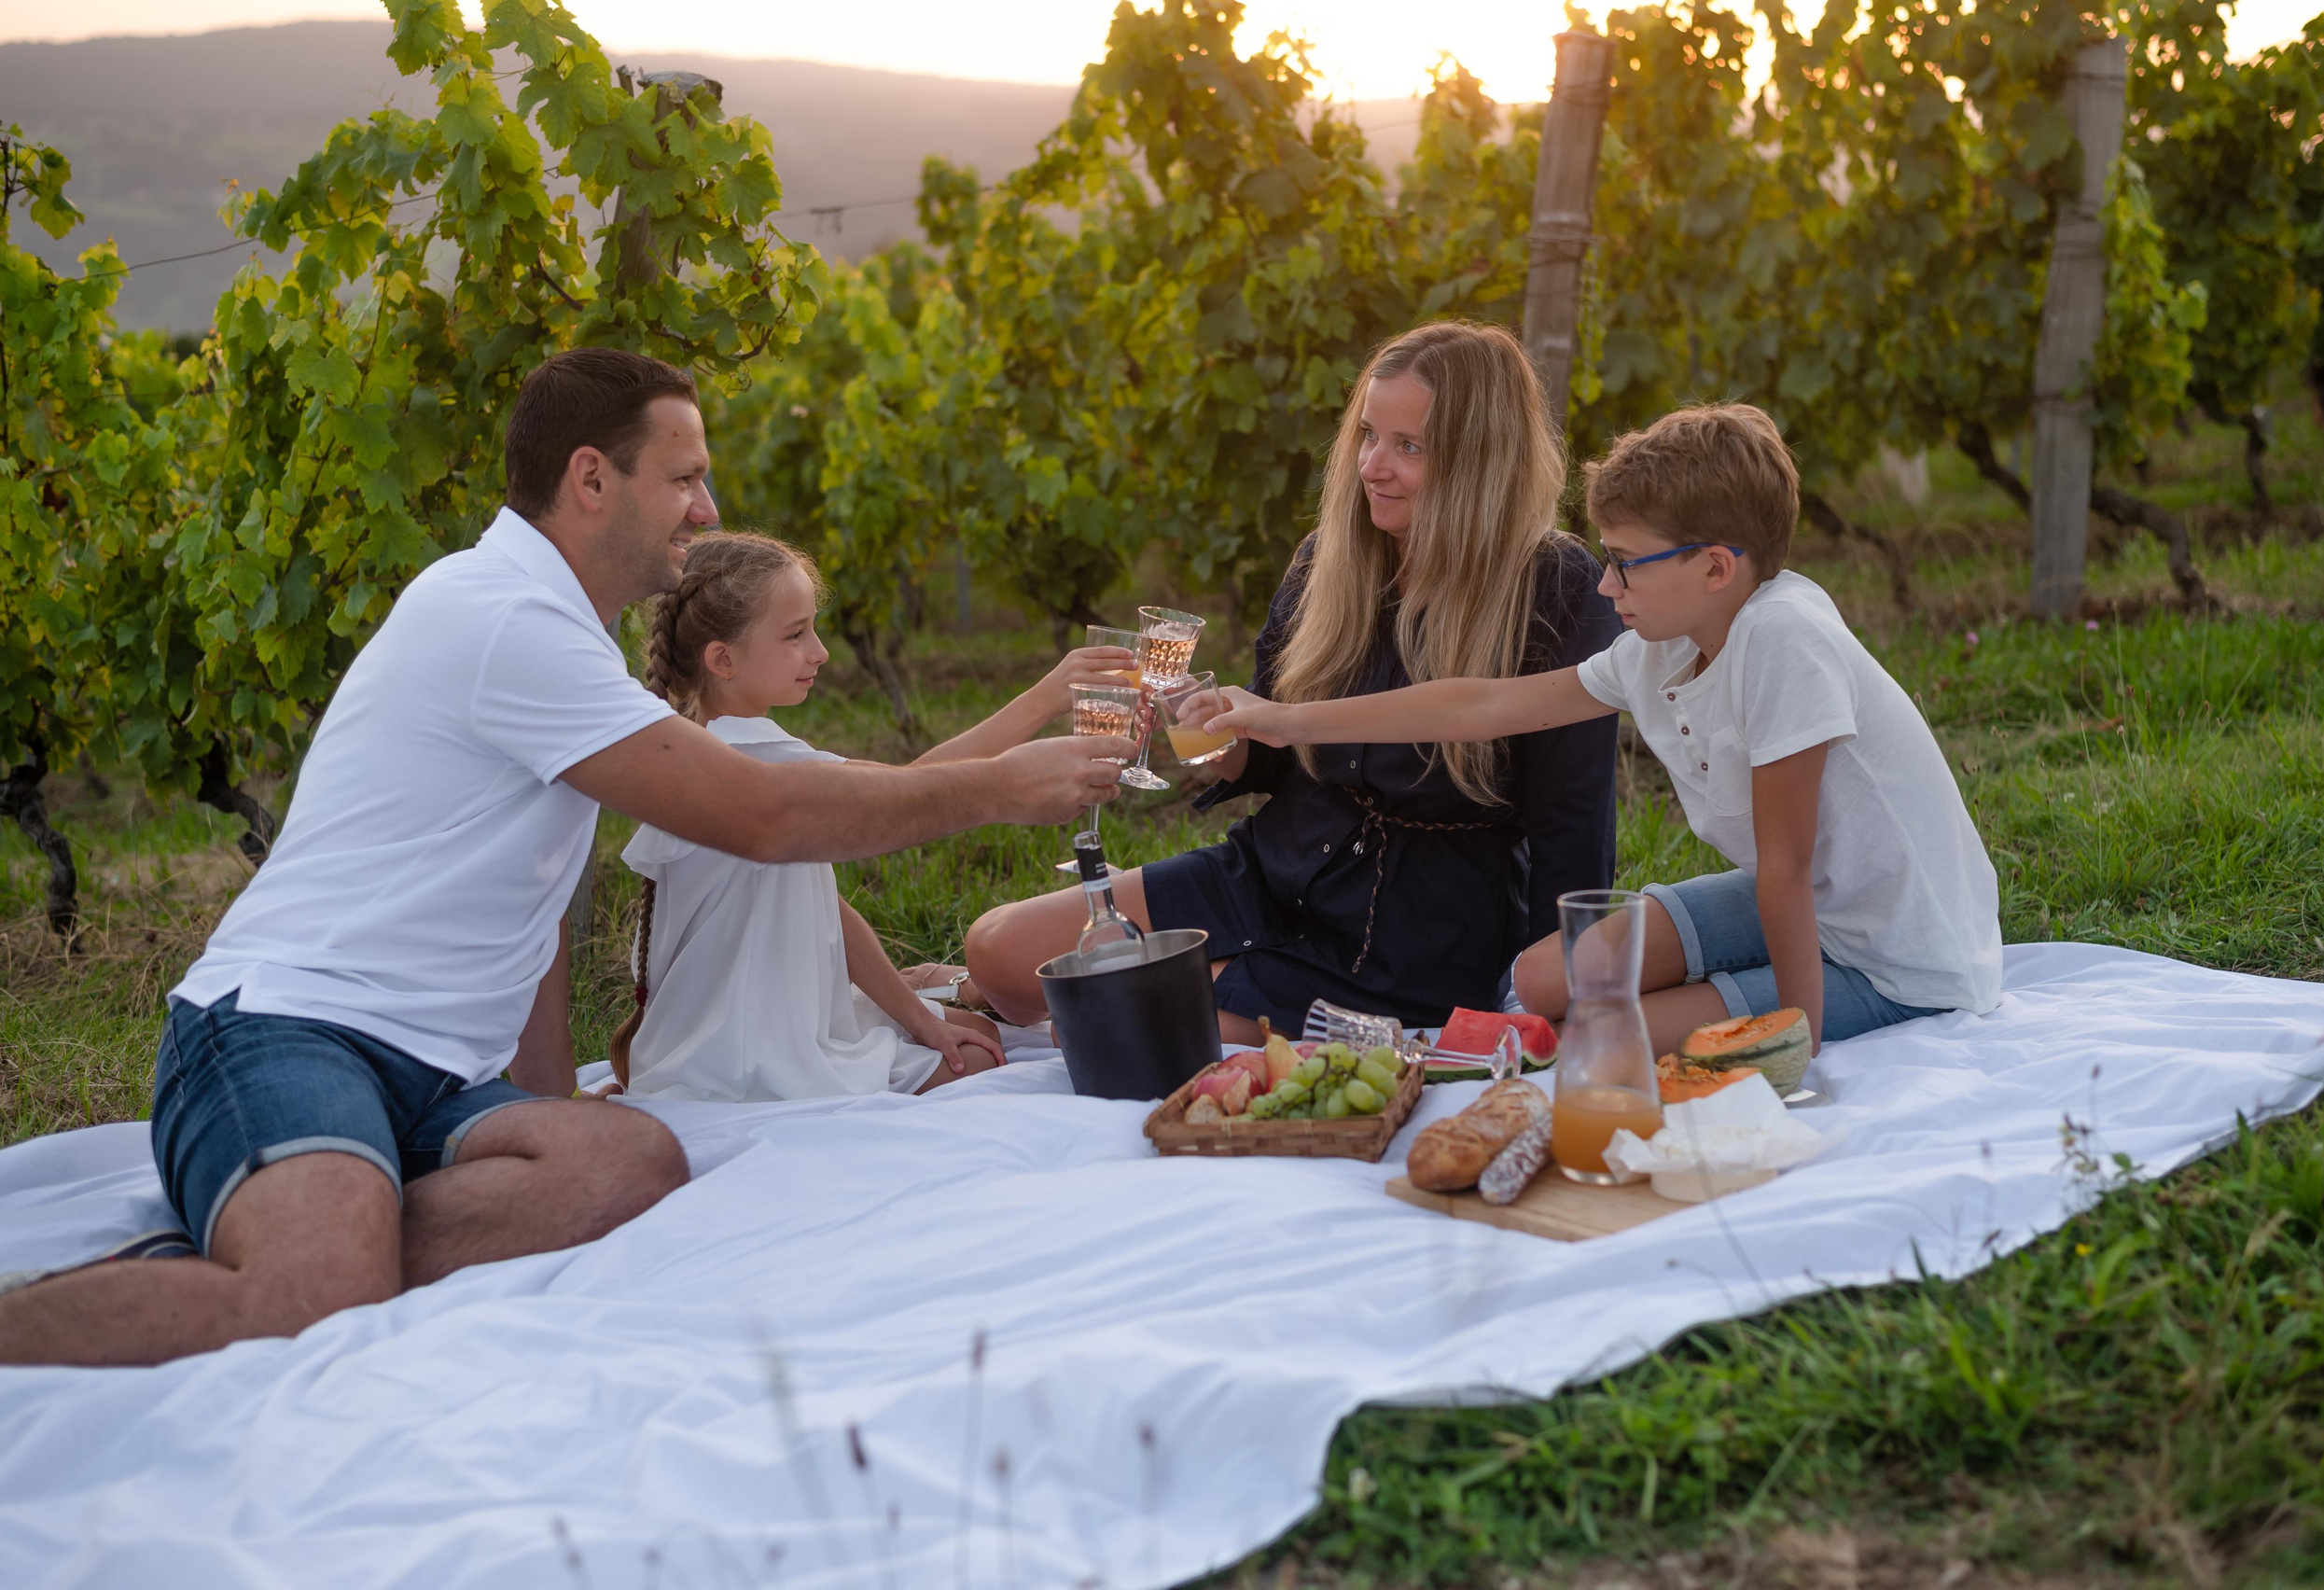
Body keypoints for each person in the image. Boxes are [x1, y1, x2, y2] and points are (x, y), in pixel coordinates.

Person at [0, 348, 1129, 1368]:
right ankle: (289, 1249)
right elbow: (764, 817)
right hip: (287, 1027)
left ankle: (319, 1212)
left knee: (624, 1164)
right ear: (592, 480)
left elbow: (534, 910)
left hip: (436, 1075)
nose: (708, 504)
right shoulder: (499, 616)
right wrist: (997, 789)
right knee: (313, 1300)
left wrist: (545, 1106)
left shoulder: (561, 637)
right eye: (683, 477)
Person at [1204, 402, 2003, 1058]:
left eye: (1625, 561)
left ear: (1716, 568)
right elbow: (1475, 705)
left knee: (1601, 1040)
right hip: (1809, 905)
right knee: (1541, 978)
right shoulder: (1659, 650)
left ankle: (1764, 1011)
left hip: (1896, 953)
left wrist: (1792, 1049)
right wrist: (1282, 718)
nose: (1605, 582)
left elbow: (1786, 866)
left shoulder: (1784, 638)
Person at [955, 321, 1622, 1041]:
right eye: (1368, 435)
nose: (1372, 465)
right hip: (1277, 868)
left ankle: (1156, 993)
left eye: (1410, 447)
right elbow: (1269, 751)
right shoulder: (1328, 562)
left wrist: (1555, 987)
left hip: (1415, 935)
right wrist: (1211, 733)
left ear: (1480, 461)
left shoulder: (1556, 586)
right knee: (999, 950)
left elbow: (1574, 821)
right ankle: (1036, 988)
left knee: (1106, 1023)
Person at [607, 530, 1138, 1101]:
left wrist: (919, 1019)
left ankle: (925, 1002)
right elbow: (918, 783)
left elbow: (830, 912)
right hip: (753, 1053)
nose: (820, 650)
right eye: (794, 635)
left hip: (751, 1024)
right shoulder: (756, 761)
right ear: (723, 660)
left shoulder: (708, 750)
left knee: (974, 1034)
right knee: (978, 1065)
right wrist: (1044, 699)